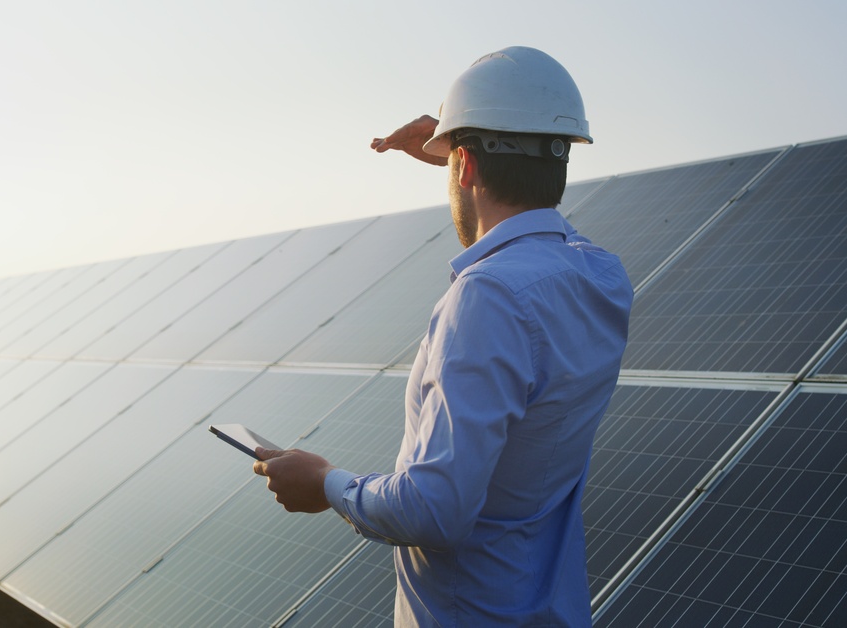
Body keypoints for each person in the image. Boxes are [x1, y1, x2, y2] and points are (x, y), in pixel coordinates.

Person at [253, 46, 632, 627]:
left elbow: (434, 511)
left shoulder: (488, 296)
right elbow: (541, 218)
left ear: (464, 167)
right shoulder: (602, 278)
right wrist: (466, 151)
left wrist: (325, 483)